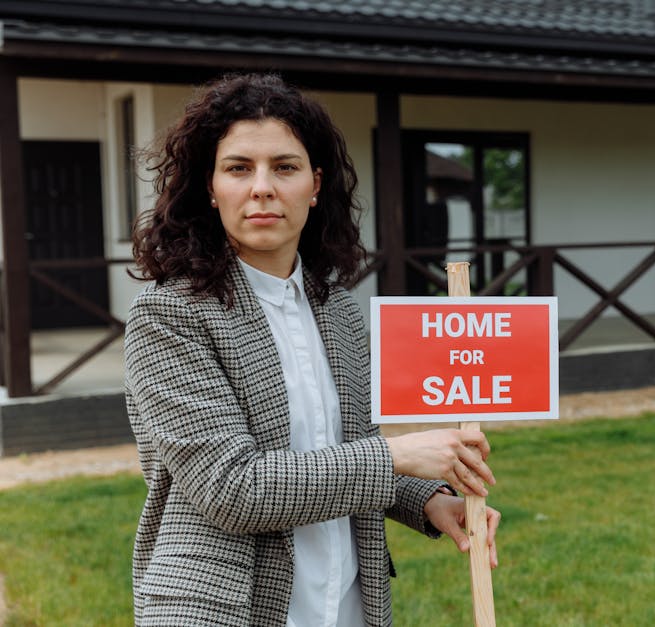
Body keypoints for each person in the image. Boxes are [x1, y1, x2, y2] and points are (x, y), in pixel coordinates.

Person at [124, 73, 500, 627]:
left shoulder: (339, 311)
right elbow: (231, 488)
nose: (262, 187)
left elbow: (345, 451)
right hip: (227, 610)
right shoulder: (168, 314)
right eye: (238, 168)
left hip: (349, 604)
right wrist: (398, 455)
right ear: (210, 186)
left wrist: (429, 500)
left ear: (315, 184)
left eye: (284, 166)